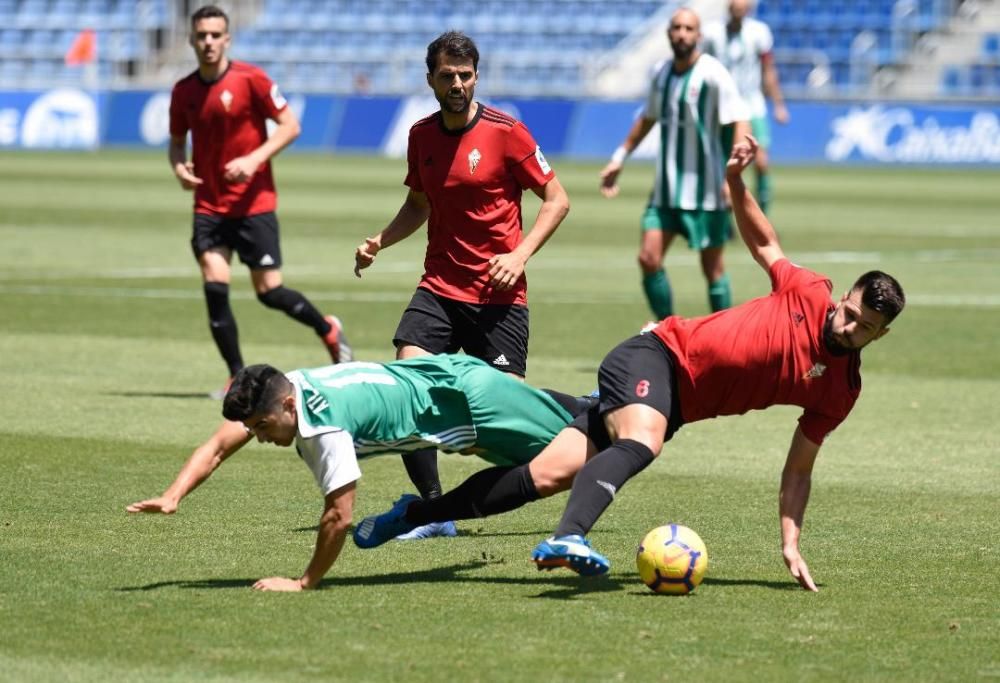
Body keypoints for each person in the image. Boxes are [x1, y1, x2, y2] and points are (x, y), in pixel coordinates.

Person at [356, 135, 905, 592]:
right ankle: (570, 536)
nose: (848, 326)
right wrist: (735, 183)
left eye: (864, 328)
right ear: (842, 299)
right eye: (849, 312)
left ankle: (413, 515)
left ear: (877, 338)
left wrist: (790, 540)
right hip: (655, 356)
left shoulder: (839, 391)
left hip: (673, 403)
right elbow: (766, 244)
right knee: (642, 442)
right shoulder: (809, 291)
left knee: (543, 475)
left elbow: (799, 468)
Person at [125, 356, 592, 592]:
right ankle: (606, 400)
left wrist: (305, 582)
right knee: (579, 427)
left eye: (263, 427)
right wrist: (173, 495)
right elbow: (217, 445)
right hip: (446, 377)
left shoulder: (323, 426)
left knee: (579, 457)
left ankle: (626, 395)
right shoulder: (288, 384)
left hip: (468, 405)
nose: (260, 438)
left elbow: (339, 516)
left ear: (288, 405)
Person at [353, 31, 570, 527]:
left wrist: (519, 255)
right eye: (447, 75)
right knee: (407, 387)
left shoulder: (506, 131)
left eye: (465, 75)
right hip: (440, 289)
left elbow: (557, 200)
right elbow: (418, 204)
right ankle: (432, 510)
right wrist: (380, 241)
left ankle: (584, 411)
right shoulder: (421, 136)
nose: (457, 84)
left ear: (476, 77)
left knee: (496, 428)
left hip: (499, 298)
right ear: (430, 78)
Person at [169, 5, 351, 396]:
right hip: (209, 206)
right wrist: (179, 168)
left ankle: (328, 329)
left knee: (269, 292)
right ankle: (236, 375)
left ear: (227, 39)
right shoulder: (183, 91)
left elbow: (291, 125)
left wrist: (253, 160)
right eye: (201, 36)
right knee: (214, 284)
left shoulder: (251, 79)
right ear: (191, 40)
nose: (208, 42)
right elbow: (175, 143)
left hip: (254, 205)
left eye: (215, 35)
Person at [600, 8, 750, 321]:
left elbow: (739, 118)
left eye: (688, 28)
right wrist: (620, 157)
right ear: (669, 33)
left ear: (699, 36)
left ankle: (727, 341)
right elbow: (648, 117)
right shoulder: (661, 73)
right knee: (648, 258)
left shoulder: (713, 73)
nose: (682, 33)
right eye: (676, 27)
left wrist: (733, 171)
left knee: (713, 270)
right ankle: (670, 331)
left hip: (706, 192)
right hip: (666, 191)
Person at [702, 0, 790, 214]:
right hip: (723, 105)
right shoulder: (712, 33)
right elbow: (704, 67)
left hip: (752, 104)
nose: (739, 8)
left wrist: (778, 104)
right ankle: (724, 218)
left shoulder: (759, 32)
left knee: (761, 162)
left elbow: (768, 70)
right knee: (723, 163)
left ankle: (764, 217)